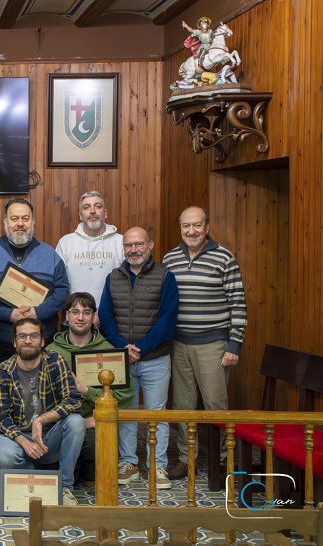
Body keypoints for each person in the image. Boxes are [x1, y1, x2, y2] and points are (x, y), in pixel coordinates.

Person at [163, 206, 248, 480]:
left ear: (207, 227)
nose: (191, 231)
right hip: (179, 344)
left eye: (197, 225)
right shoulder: (170, 259)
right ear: (180, 228)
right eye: (186, 225)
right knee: (183, 407)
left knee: (216, 407)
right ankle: (186, 460)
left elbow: (238, 304)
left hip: (214, 344)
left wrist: (234, 345)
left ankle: (223, 462)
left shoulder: (224, 258)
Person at [98, 227, 179, 490]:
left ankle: (158, 466)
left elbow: (168, 320)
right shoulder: (113, 277)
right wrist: (123, 347)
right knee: (125, 413)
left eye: (139, 244)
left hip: (155, 358)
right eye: (128, 245)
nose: (133, 250)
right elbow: (106, 316)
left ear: (150, 245)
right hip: (122, 359)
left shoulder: (165, 277)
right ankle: (129, 464)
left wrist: (140, 348)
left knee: (157, 414)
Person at [0, 317, 84, 506]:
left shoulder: (55, 360)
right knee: (4, 456)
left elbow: (73, 399)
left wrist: (41, 420)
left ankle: (65, 487)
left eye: (34, 335)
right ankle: (38, 477)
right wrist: (24, 441)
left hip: (49, 438)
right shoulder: (2, 371)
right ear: (14, 341)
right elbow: (1, 417)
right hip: (17, 439)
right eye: (22, 336)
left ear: (42, 341)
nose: (28, 340)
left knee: (76, 422)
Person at [46, 292, 134, 487]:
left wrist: (87, 391)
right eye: (75, 312)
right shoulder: (51, 352)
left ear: (94, 317)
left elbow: (125, 396)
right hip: (60, 426)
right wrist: (74, 421)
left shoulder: (109, 351)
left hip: (94, 426)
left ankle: (85, 471)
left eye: (86, 312)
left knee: (96, 450)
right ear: (65, 316)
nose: (80, 317)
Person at [0, 198, 70, 366]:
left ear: (33, 222)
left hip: (42, 341)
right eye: (14, 218)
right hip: (1, 341)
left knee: (41, 391)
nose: (20, 223)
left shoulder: (49, 254)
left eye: (25, 218)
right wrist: (7, 314)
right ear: (5, 222)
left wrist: (38, 312)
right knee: (3, 390)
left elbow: (62, 292)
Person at [55, 191, 123, 316]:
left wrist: (104, 314)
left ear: (105, 213)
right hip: (75, 318)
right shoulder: (65, 243)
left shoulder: (121, 242)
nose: (92, 211)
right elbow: (58, 283)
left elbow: (127, 284)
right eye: (86, 207)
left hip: (112, 318)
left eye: (98, 206)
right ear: (80, 215)